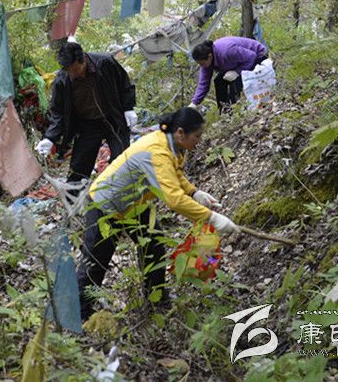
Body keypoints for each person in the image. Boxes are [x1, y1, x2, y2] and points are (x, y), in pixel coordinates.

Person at [75, 107, 240, 321]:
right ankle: (79, 314)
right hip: (106, 204)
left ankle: (156, 300)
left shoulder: (173, 145)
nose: (199, 141)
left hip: (135, 203)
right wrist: (211, 217)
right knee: (96, 261)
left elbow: (174, 173)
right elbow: (174, 200)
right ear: (180, 133)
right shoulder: (157, 150)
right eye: (197, 136)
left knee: (153, 246)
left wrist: (193, 192)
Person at [35, 41, 137, 188]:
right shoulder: (62, 81)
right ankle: (74, 199)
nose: (72, 74)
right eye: (68, 70)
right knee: (79, 168)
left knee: (122, 160)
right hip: (87, 125)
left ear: (82, 59)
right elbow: (58, 113)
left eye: (75, 69)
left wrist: (128, 108)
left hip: (113, 118)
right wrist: (50, 137)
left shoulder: (104, 63)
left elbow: (124, 84)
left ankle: (123, 193)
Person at [189, 37, 268, 112]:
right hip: (237, 63)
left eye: (202, 63)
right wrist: (194, 103)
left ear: (209, 56)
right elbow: (203, 83)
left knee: (236, 83)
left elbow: (252, 56)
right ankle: (224, 111)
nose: (201, 66)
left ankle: (236, 110)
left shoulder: (227, 51)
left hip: (257, 57)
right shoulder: (206, 63)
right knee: (219, 81)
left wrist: (237, 72)